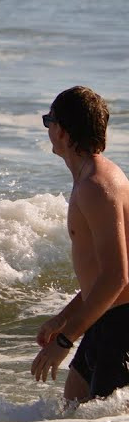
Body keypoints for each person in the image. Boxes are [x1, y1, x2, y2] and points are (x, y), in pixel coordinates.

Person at [30, 86, 129, 404]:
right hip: (107, 317)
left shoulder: (96, 187)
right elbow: (103, 274)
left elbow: (117, 277)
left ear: (61, 130)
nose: (48, 129)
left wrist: (65, 340)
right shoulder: (96, 179)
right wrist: (64, 319)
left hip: (121, 324)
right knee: (74, 413)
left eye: (49, 121)